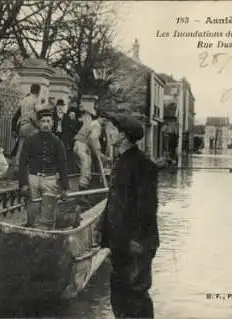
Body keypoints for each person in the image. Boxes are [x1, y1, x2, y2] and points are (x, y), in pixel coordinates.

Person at [99, 113, 159, 318]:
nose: (109, 132)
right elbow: (115, 204)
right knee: (120, 297)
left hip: (135, 245)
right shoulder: (122, 161)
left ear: (124, 136)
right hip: (120, 244)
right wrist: (104, 234)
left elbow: (147, 209)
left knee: (135, 296)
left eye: (113, 129)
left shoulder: (142, 165)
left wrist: (137, 243)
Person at [18, 108, 69, 230]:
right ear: (39, 123)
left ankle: (45, 236)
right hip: (33, 179)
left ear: (52, 123)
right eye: (43, 121)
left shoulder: (57, 142)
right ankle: (31, 233)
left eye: (48, 121)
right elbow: (22, 163)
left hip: (50, 180)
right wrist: (23, 184)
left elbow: (62, 165)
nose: (45, 124)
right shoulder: (30, 141)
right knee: (32, 212)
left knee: (47, 215)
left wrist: (64, 187)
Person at [73, 104, 107, 190]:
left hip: (78, 144)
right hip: (82, 145)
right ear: (103, 119)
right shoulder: (97, 126)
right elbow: (92, 139)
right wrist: (97, 152)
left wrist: (97, 151)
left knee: (84, 168)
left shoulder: (93, 123)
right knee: (86, 165)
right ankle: (83, 192)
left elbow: (94, 140)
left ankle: (84, 188)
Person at [11, 84, 43, 163]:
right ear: (38, 91)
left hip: (22, 126)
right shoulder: (36, 100)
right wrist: (39, 125)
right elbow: (38, 114)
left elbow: (19, 113)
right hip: (32, 127)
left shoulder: (24, 100)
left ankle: (18, 165)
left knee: (21, 147)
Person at [60, 107, 81, 174]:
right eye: (71, 115)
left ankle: (71, 170)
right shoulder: (66, 122)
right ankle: (67, 170)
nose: (72, 116)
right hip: (67, 140)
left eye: (73, 115)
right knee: (66, 155)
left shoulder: (76, 122)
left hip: (72, 141)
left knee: (71, 156)